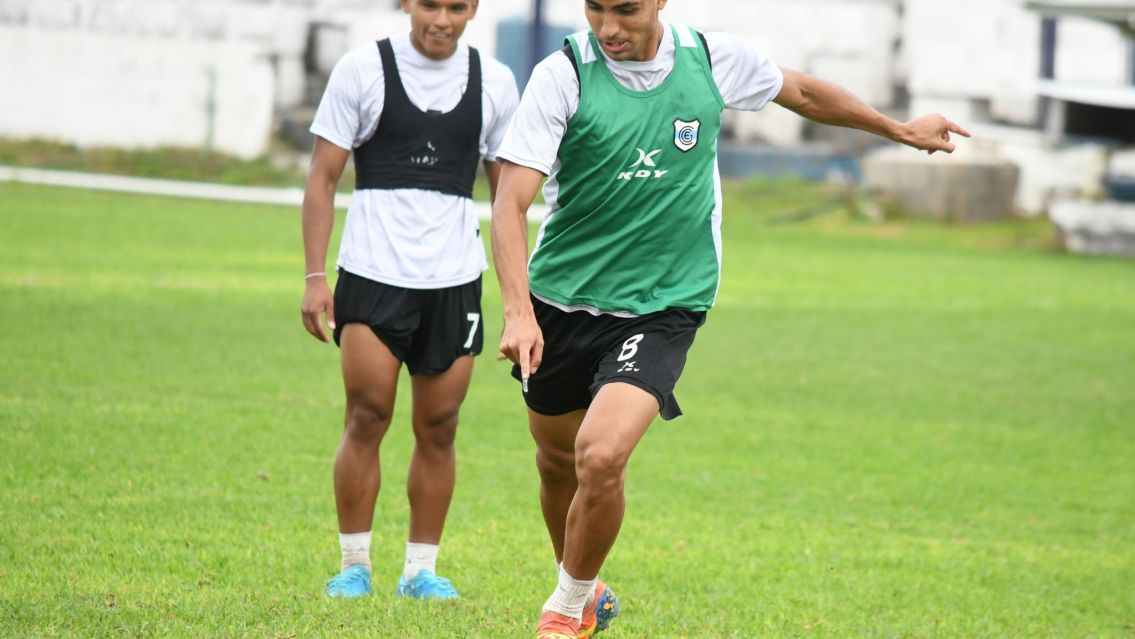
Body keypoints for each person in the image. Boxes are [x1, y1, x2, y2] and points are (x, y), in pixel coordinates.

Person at [490, 0, 970, 636]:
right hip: (562, 301)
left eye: (627, 10)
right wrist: (519, 314)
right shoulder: (563, 75)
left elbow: (799, 90)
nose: (609, 28)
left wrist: (897, 129)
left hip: (665, 303)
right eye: (596, 9)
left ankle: (566, 609)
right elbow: (509, 203)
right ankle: (580, 582)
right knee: (555, 462)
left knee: (600, 457)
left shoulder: (712, 59)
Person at [300, 0, 517, 600]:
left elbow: (509, 202)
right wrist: (317, 276)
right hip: (372, 273)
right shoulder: (361, 71)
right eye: (429, 4)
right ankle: (354, 566)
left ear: (473, 8)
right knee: (367, 415)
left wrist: (519, 298)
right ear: (407, 4)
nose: (441, 19)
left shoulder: (495, 82)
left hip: (454, 280)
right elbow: (322, 177)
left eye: (457, 6)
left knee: (440, 426)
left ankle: (421, 570)